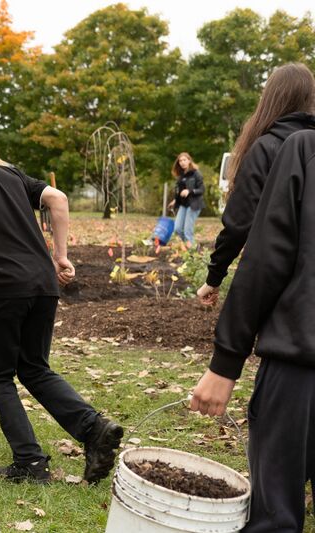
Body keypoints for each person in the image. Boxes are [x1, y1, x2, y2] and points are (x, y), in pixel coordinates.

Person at [0, 112, 122, 484]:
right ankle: (93, 429)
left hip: (3, 286)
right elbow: (58, 198)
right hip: (42, 283)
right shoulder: (10, 173)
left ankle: (30, 463)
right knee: (34, 367)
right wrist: (61, 256)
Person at [190, 128, 315, 532]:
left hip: (301, 365)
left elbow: (265, 258)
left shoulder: (305, 149)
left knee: (276, 514)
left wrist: (226, 363)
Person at [197, 63, 315, 306]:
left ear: (272, 98)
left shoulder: (267, 147)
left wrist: (214, 277)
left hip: (281, 277)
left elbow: (239, 222)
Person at [167, 152, 204, 246]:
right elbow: (180, 191)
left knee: (188, 230)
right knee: (177, 229)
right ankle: (189, 245)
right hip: (183, 205)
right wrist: (175, 200)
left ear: (189, 161)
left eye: (184, 160)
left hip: (194, 204)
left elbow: (202, 189)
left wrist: (189, 191)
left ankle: (191, 252)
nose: (182, 162)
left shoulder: (196, 173)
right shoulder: (181, 175)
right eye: (180, 161)